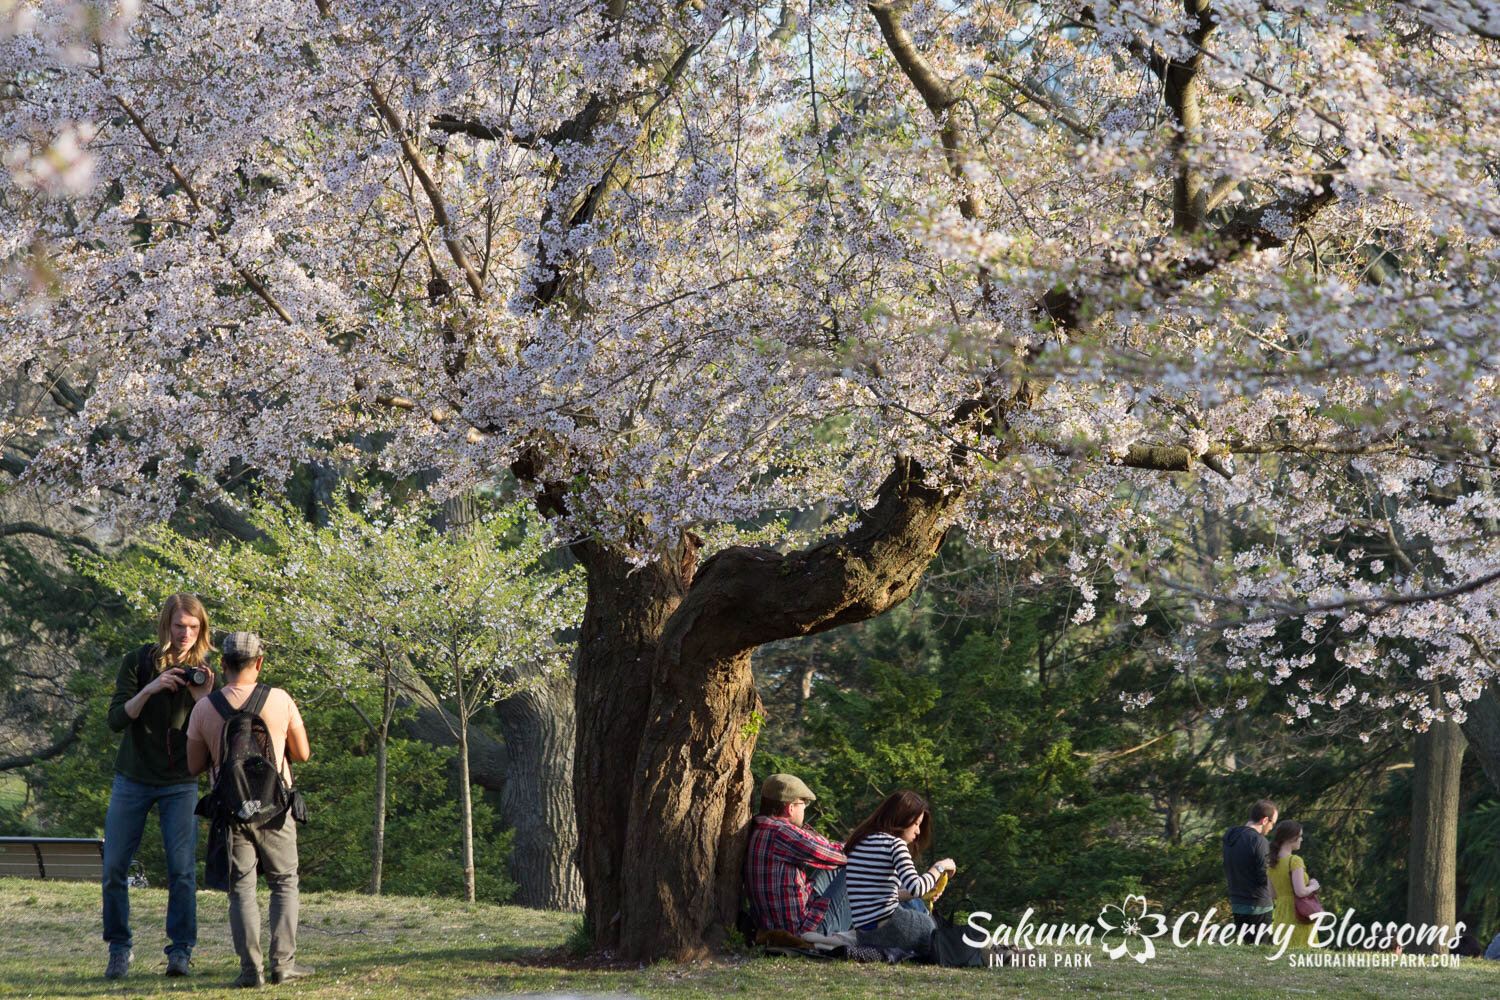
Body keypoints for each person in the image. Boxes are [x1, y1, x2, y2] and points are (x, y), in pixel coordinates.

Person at [186, 632, 312, 988]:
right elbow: (302, 753)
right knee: (284, 882)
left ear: (222, 665)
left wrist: (202, 704)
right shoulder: (280, 699)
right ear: (259, 663)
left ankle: (250, 970)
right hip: (276, 807)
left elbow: (194, 765)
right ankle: (283, 964)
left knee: (241, 888)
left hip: (231, 811)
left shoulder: (205, 708)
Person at [101, 593, 216, 980]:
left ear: (201, 630)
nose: (185, 633)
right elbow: (116, 719)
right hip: (132, 777)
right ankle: (119, 948)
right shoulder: (137, 661)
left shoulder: (203, 670)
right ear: (166, 624)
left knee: (182, 870)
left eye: (193, 627)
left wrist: (203, 698)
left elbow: (218, 736)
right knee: (115, 865)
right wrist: (151, 689)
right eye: (179, 625)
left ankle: (180, 951)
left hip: (180, 781)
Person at [844, 789, 956, 956]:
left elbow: (885, 896)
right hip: (891, 928)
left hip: (865, 936)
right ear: (905, 818)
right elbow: (916, 887)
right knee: (930, 926)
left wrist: (924, 892)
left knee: (920, 918)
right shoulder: (895, 844)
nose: (918, 831)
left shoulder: (860, 841)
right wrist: (940, 866)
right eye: (917, 823)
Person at [744, 773, 849, 941]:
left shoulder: (760, 826)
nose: (805, 808)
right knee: (858, 865)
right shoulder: (783, 832)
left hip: (774, 926)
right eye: (803, 803)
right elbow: (841, 855)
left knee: (835, 868)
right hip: (803, 933)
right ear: (790, 808)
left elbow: (825, 853)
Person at [1223, 799, 1278, 944]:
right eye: (1272, 823)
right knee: (1261, 951)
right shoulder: (1259, 841)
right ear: (1264, 820)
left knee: (1248, 948)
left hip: (1237, 903)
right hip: (1258, 905)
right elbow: (1263, 874)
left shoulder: (1230, 836)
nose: (1272, 827)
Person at [1267, 820, 1319, 949]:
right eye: (1300, 836)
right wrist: (1313, 886)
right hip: (1298, 914)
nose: (1301, 839)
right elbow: (1300, 891)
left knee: (1284, 952)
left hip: (1281, 913)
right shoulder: (1294, 861)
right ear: (1291, 838)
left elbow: (1272, 894)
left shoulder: (1272, 862)